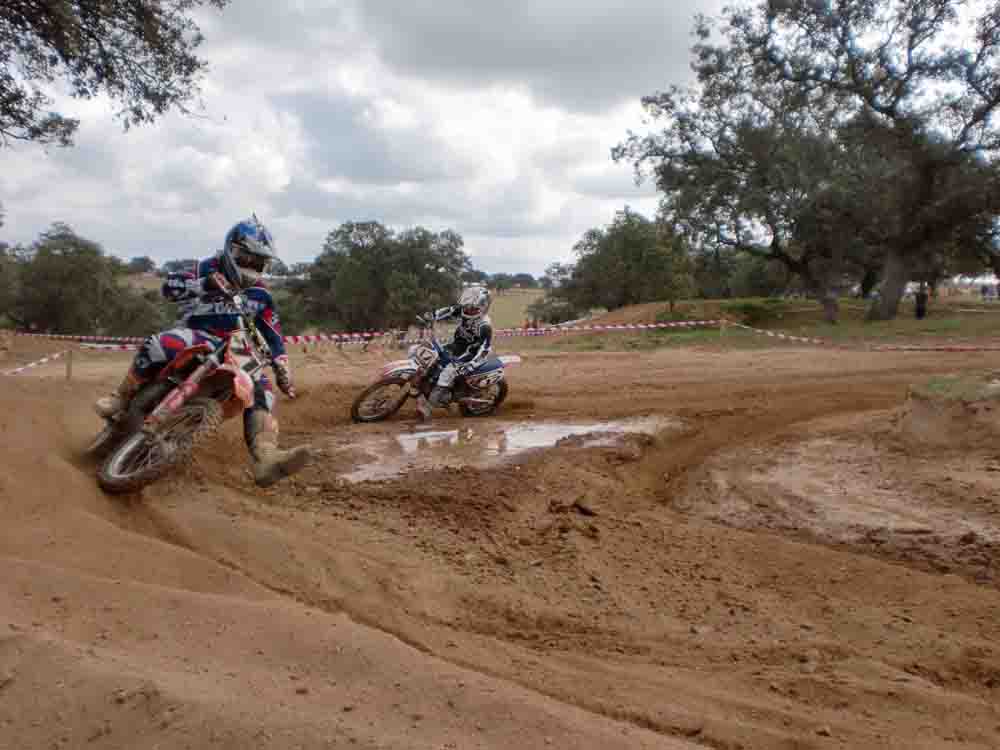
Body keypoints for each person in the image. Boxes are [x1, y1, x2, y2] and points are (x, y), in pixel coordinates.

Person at [94, 216, 312, 487]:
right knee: (160, 344)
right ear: (231, 250)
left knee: (264, 391)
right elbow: (169, 288)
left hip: (237, 347)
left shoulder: (262, 294)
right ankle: (120, 397)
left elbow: (274, 334)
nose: (251, 267)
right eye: (246, 259)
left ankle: (266, 457)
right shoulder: (205, 268)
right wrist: (202, 285)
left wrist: (283, 367)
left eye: (258, 263)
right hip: (199, 333)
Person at [416, 285, 494, 420]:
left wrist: (470, 365)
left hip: (471, 355)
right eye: (466, 306)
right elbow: (449, 310)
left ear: (482, 307)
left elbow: (485, 349)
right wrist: (432, 316)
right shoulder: (464, 310)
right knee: (433, 358)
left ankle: (429, 407)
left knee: (447, 372)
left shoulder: (484, 326)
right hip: (456, 346)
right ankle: (426, 387)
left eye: (471, 307)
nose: (467, 309)